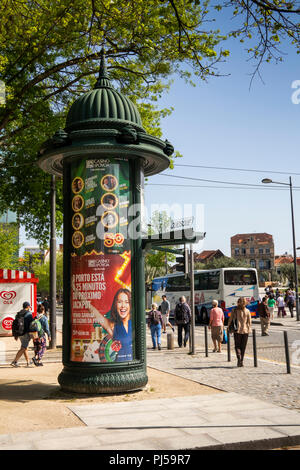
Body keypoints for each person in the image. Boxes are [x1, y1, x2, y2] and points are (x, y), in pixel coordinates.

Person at [89, 288, 132, 362]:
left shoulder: (135, 323)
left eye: (126, 302)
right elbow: (96, 314)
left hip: (132, 365)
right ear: (115, 304)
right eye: (119, 302)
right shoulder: (113, 325)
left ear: (130, 304)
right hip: (118, 366)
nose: (123, 305)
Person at [228, 297, 251, 367]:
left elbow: (230, 320)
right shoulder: (247, 311)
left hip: (237, 331)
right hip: (245, 331)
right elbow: (249, 322)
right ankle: (241, 361)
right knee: (243, 347)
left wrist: (229, 328)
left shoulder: (234, 310)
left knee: (237, 346)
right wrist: (249, 329)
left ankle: (239, 359)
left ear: (238, 302)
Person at [11, 302, 33, 367]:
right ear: (28, 306)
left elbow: (15, 324)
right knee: (23, 347)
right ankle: (15, 361)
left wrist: (16, 335)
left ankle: (28, 361)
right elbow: (31, 324)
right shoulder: (28, 314)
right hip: (25, 333)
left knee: (24, 347)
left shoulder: (18, 313)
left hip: (19, 333)